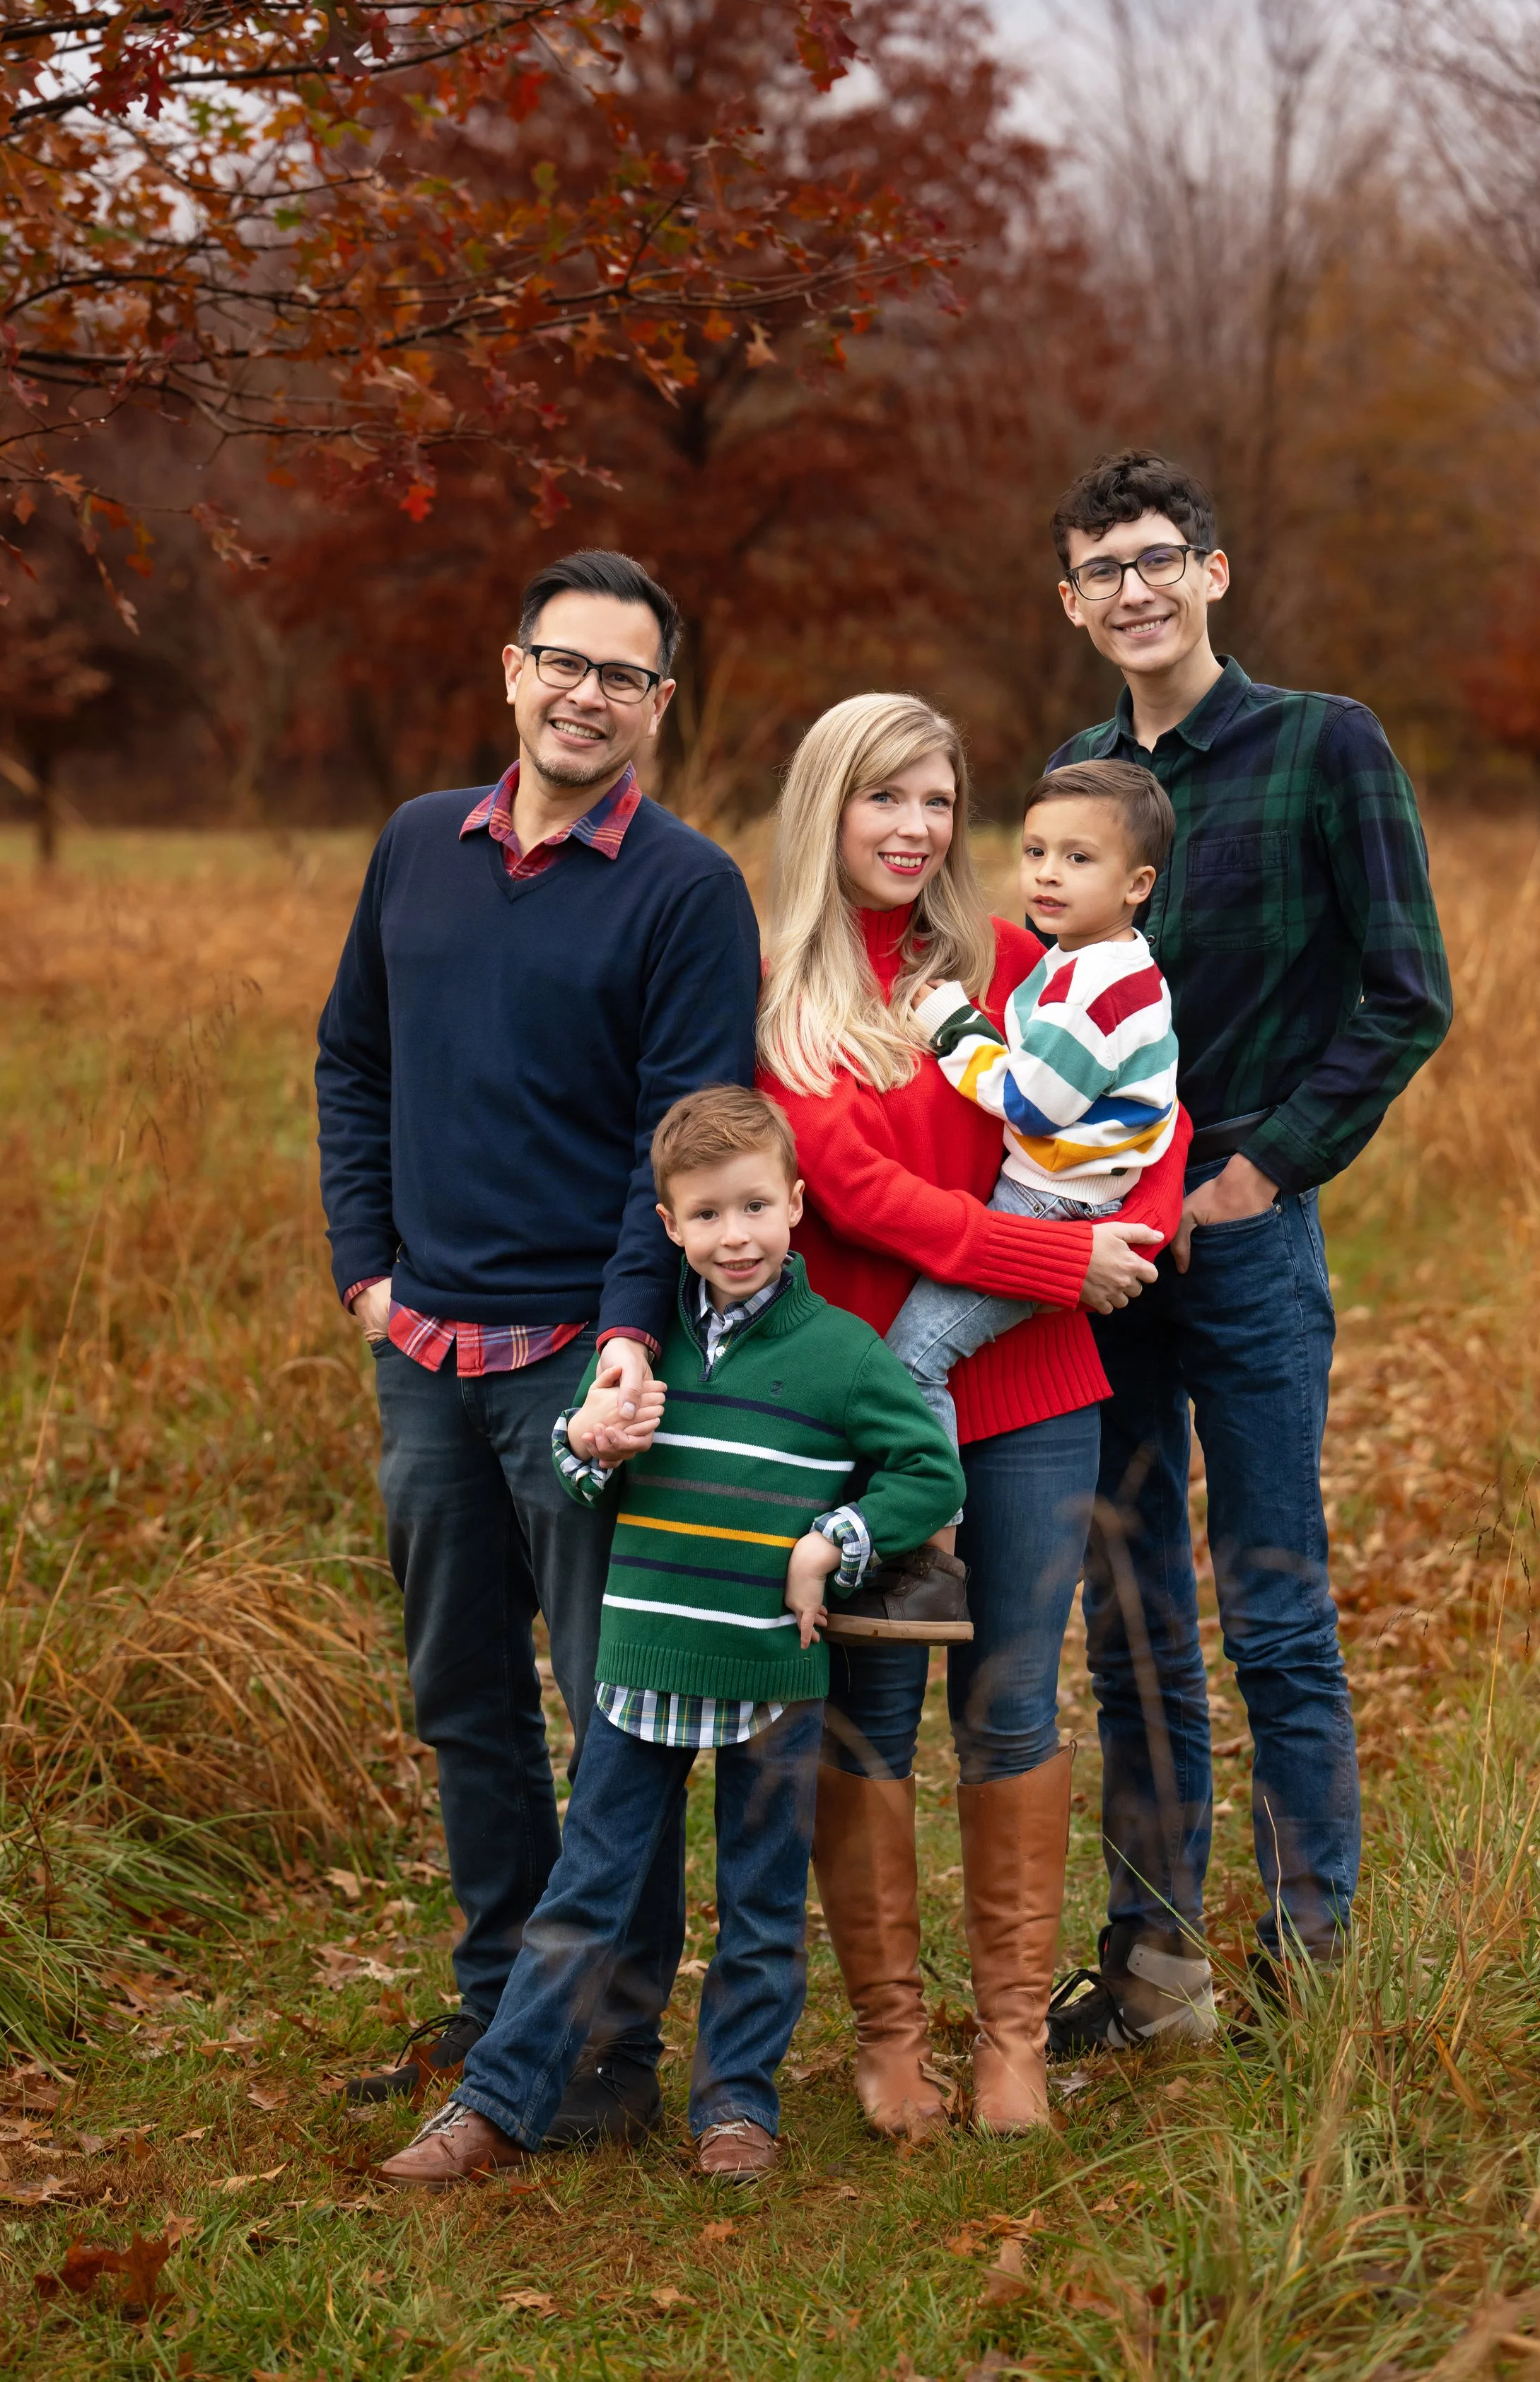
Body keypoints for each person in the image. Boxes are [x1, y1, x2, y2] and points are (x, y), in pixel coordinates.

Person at [315, 549, 761, 2137]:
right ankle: (496, 1997)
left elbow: (690, 1142)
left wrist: (632, 1340)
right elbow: (351, 1061)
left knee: (611, 1705)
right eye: (561, 664)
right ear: (509, 669)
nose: (586, 697)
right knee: (464, 1699)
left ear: (657, 704)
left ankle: (606, 2049)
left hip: (586, 1362)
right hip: (422, 1354)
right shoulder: (415, 848)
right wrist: (365, 1269)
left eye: (623, 677)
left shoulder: (687, 889)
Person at [1040, 450, 1452, 2050]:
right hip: (1099, 1263)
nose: (1135, 589)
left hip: (1247, 1243)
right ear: (1072, 605)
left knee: (1272, 1605)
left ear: (1212, 571)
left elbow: (1405, 990)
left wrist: (1266, 1165)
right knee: (1124, 1611)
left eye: (1160, 557)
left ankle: (1309, 1963)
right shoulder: (1080, 769)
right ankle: (1154, 1966)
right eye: (1103, 570)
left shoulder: (1321, 743)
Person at [373, 1085, 965, 2188]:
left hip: (771, 1673)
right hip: (643, 1666)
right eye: (705, 1215)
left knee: (759, 1901)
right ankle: (500, 2102)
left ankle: (738, 2103)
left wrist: (835, 1539)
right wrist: (587, 1441)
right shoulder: (641, 1357)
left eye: (753, 1206)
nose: (733, 1235)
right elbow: (580, 1475)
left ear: (796, 1202)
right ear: (668, 1225)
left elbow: (931, 1470)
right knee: (585, 1891)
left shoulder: (840, 1353)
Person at [756, 693, 1189, 2139]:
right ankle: (889, 2040)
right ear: (828, 809)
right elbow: (862, 1197)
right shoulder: (782, 995)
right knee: (870, 1705)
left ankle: (1008, 2041)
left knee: (1010, 1697)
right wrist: (1058, 1255)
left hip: (1033, 1389)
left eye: (936, 800)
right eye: (883, 798)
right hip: (869, 1411)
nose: (912, 828)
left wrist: (1135, 1213)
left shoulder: (1015, 960)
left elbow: (1151, 1106)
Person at [887, 758, 1181, 1444]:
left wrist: (952, 1026)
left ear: (1138, 884)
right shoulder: (1103, 962)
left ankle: (928, 1526)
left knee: (910, 1360)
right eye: (1035, 851)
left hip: (1050, 1201)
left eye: (1078, 858)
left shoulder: (1093, 988)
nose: (1047, 873)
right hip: (1068, 1190)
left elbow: (1032, 1103)